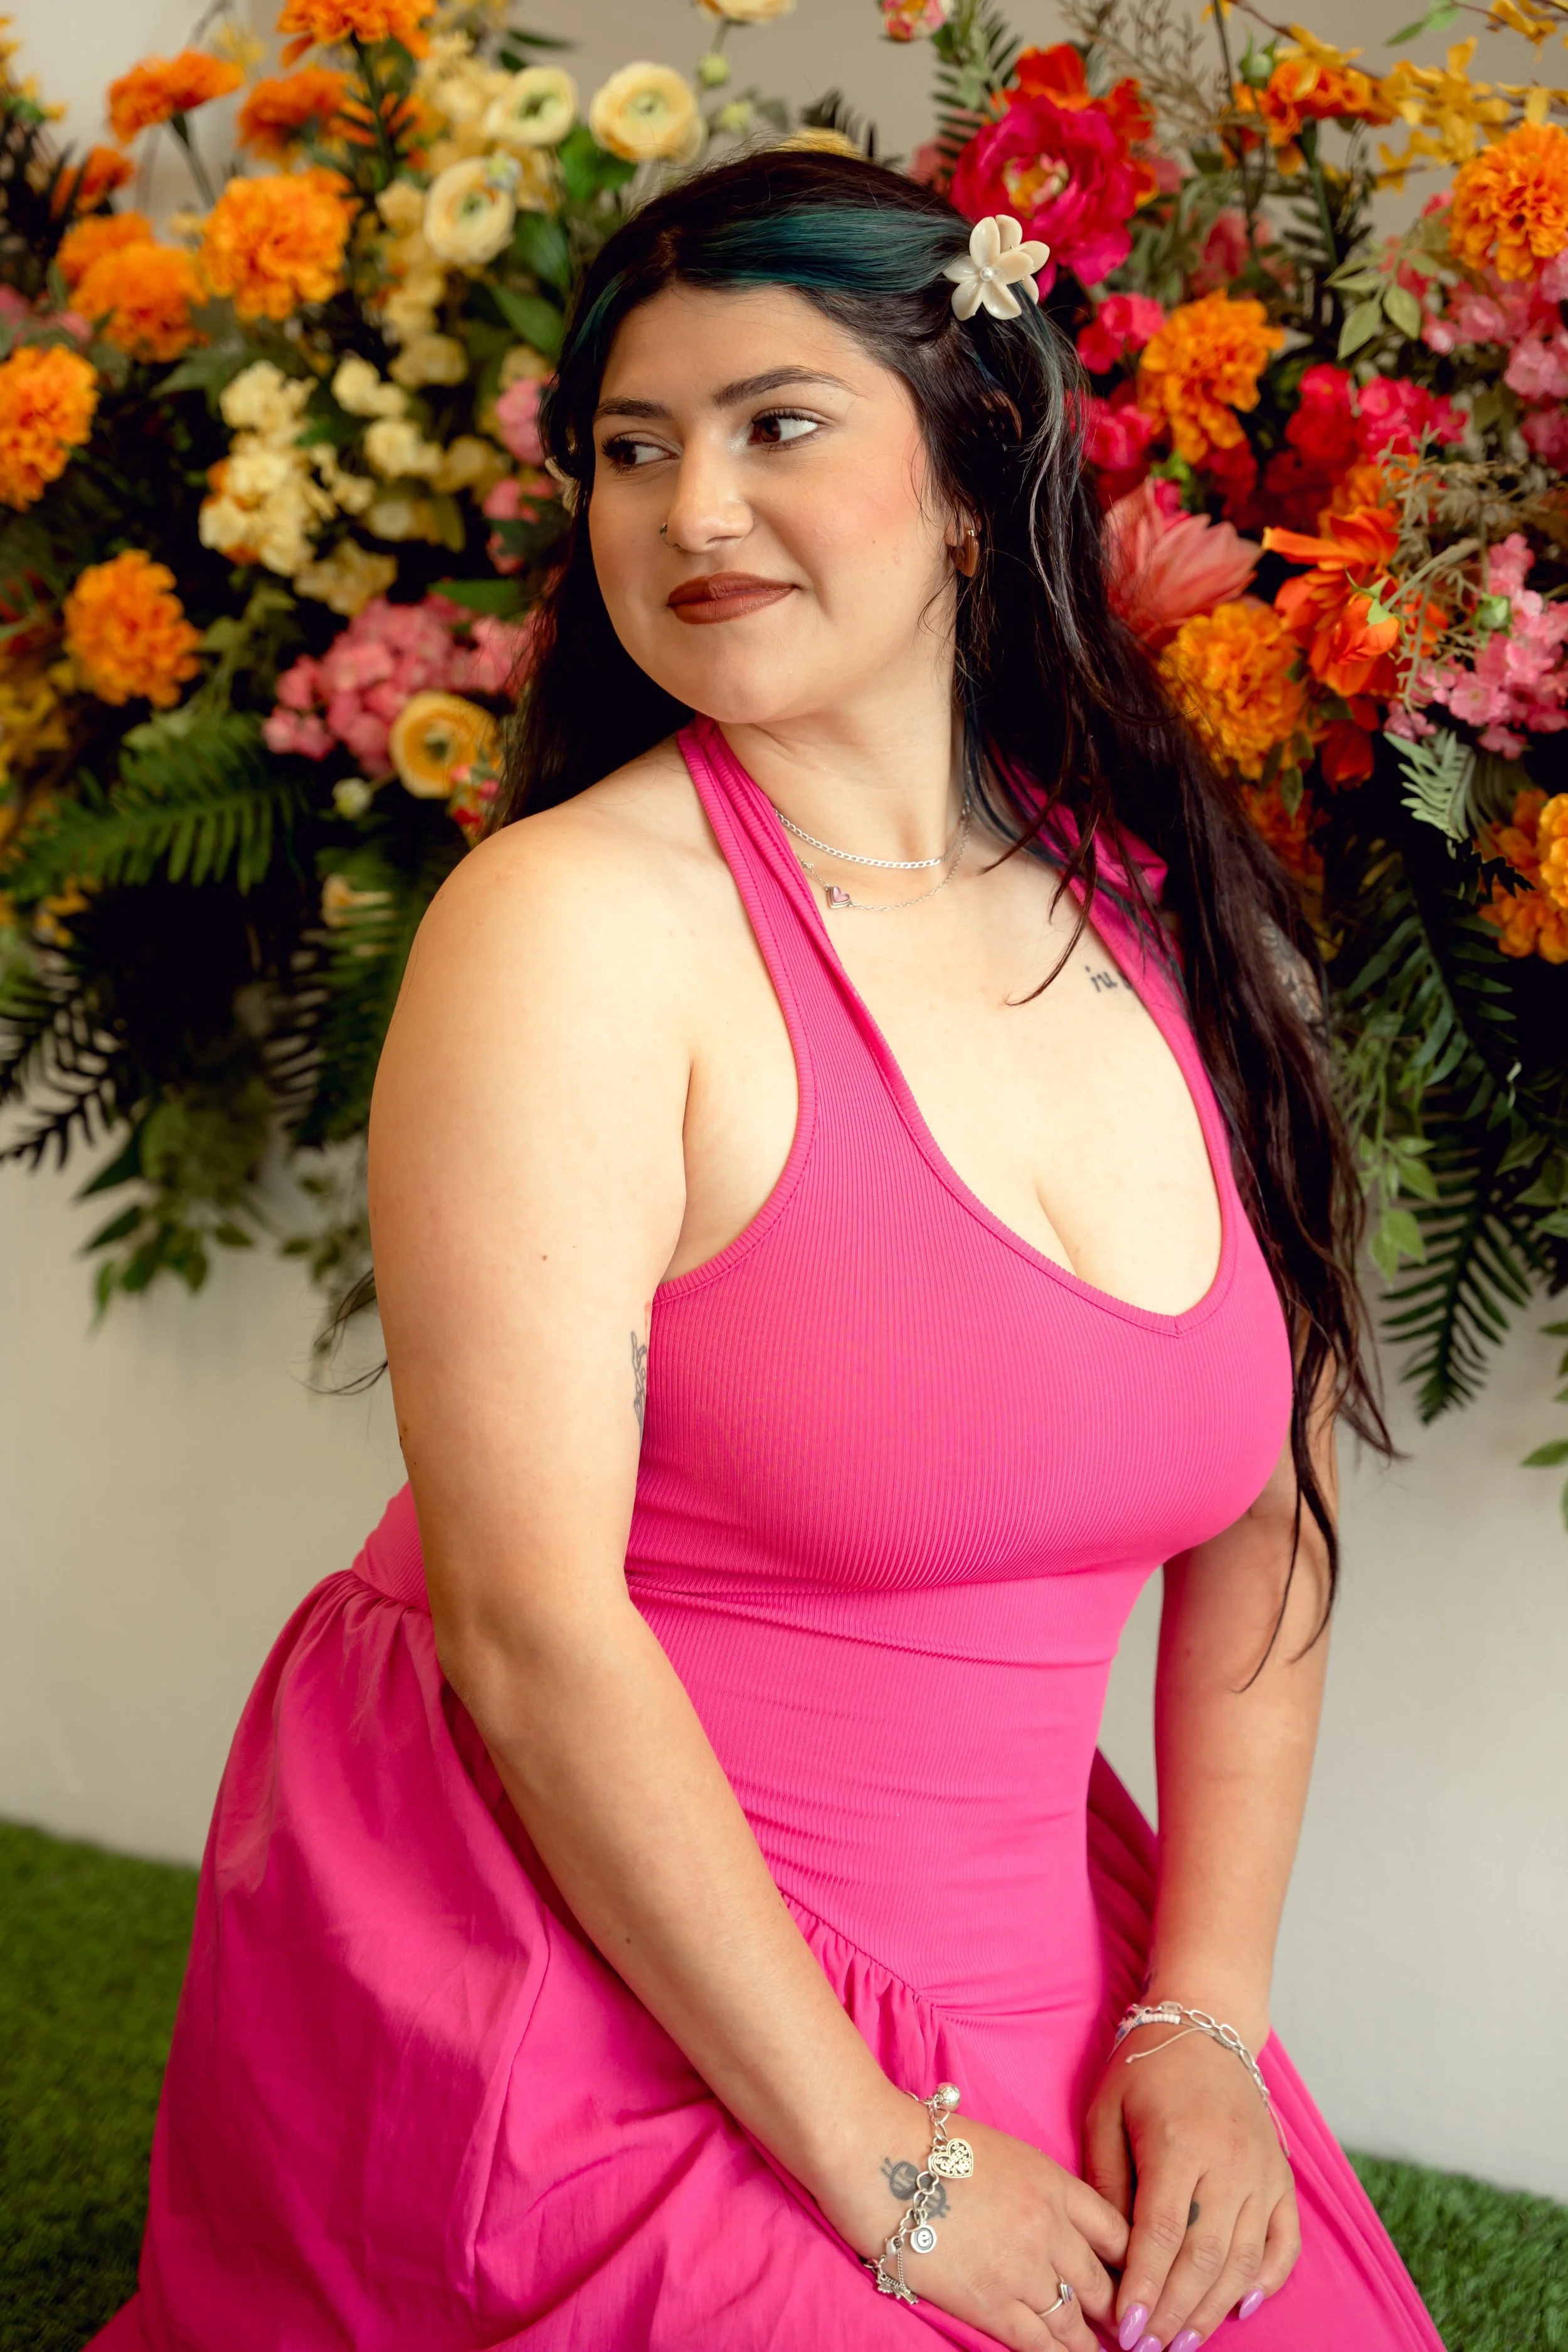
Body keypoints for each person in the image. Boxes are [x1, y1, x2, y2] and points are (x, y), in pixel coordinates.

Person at [94, 152, 1444, 2352]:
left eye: (775, 425)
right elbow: (527, 1636)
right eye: (635, 450)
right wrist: (885, 2169)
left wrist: (1200, 2014)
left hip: (1016, 1943)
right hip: (564, 1932)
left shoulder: (1166, 917)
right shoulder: (566, 931)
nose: (692, 510)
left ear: (973, 461)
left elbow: (1263, 1520)